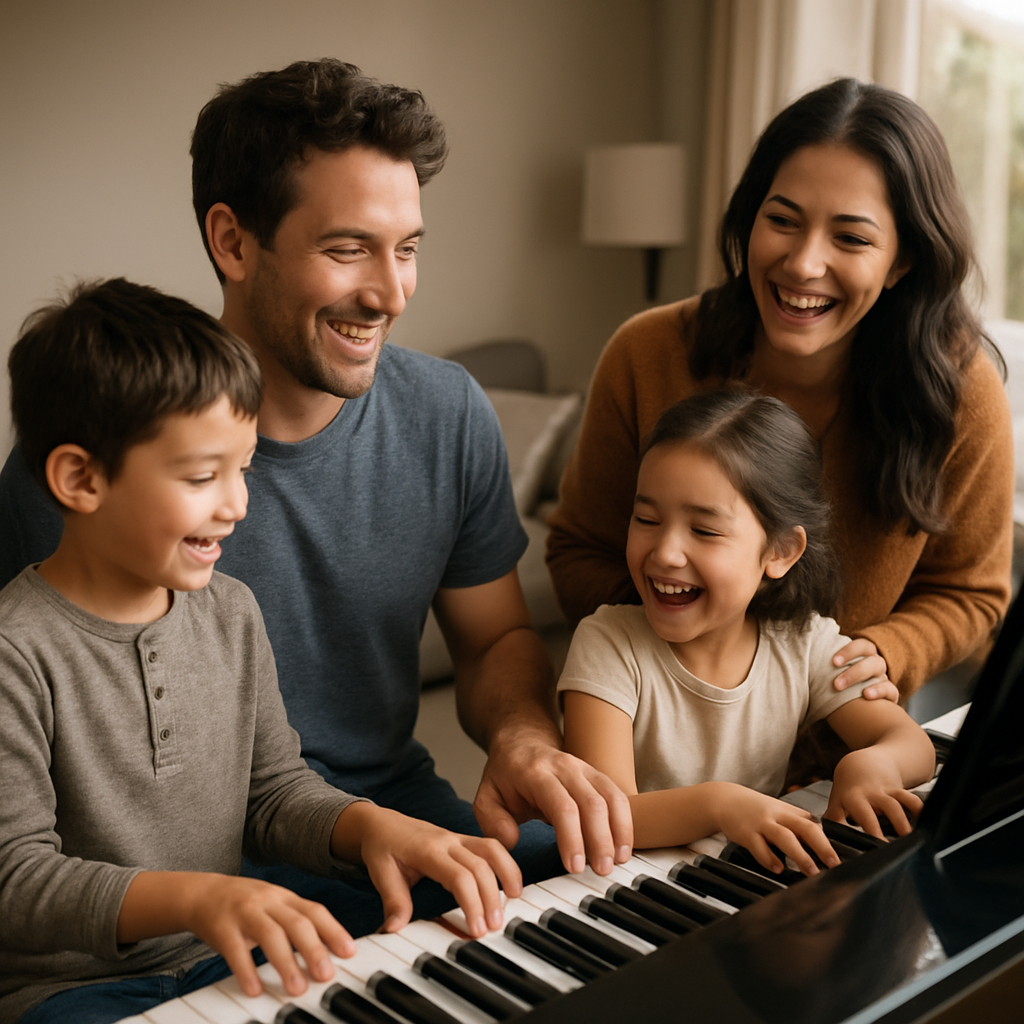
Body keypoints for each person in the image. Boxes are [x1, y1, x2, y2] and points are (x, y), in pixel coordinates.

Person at [0, 60, 631, 934]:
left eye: (407, 248)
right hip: (181, 893)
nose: (390, 292)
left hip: (391, 826)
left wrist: (523, 737)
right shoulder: (92, 469)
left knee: (601, 928)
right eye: (348, 249)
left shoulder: (450, 414)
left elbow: (495, 641)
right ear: (232, 241)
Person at [0, 279, 523, 1024]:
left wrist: (370, 824)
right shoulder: (16, 652)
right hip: (72, 994)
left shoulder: (231, 612)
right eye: (202, 476)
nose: (237, 503)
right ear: (81, 478)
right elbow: (14, 879)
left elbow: (274, 793)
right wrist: (200, 896)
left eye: (243, 467)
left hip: (226, 960)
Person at [548, 78, 1013, 716]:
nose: (802, 264)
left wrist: (885, 654)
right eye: (783, 221)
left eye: (850, 238)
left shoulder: (960, 392)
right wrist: (708, 640)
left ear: (902, 262)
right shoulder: (646, 352)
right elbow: (577, 551)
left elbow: (972, 593)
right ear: (750, 217)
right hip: (663, 745)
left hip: (843, 747)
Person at [559, 390, 936, 876]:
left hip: (745, 881)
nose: (666, 552)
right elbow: (609, 814)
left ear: (779, 551)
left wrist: (871, 766)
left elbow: (913, 745)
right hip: (625, 887)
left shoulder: (805, 643)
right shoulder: (607, 644)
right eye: (647, 519)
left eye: (705, 531)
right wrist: (720, 805)